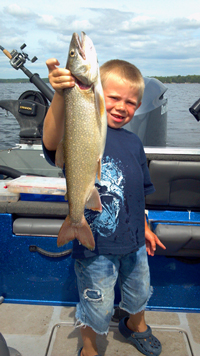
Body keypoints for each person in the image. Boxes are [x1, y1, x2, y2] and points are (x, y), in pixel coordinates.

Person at [42, 57, 166, 356]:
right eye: (113, 98)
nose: (122, 107)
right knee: (96, 303)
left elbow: (138, 194)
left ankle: (136, 325)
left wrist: (146, 228)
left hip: (134, 243)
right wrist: (61, 94)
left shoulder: (135, 143)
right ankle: (89, 348)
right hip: (95, 247)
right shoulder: (84, 130)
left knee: (138, 293)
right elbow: (51, 139)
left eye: (131, 102)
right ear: (96, 93)